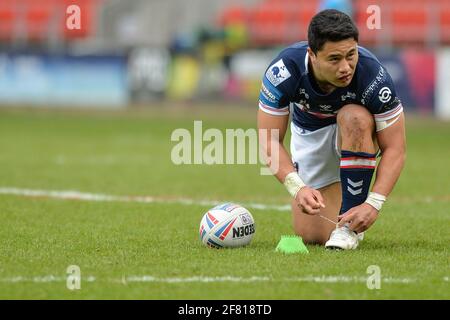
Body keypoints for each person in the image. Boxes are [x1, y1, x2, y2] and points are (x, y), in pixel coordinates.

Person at [257, 9, 406, 250]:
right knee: (313, 235)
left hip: (358, 130)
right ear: (312, 55)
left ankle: (349, 226)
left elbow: (396, 148)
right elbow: (269, 142)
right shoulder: (284, 71)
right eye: (334, 59)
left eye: (351, 55)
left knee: (354, 116)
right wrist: (297, 187)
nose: (346, 67)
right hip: (310, 133)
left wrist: (373, 203)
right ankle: (339, 209)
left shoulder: (373, 76)